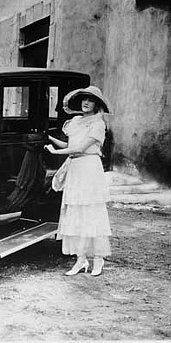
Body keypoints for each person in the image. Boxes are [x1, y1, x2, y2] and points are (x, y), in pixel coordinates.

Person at [44, 86, 111, 277]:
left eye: (90, 100)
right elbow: (70, 145)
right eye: (84, 99)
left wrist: (56, 153)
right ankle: (81, 260)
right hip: (75, 169)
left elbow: (81, 148)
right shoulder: (76, 122)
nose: (86, 102)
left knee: (91, 212)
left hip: (89, 169)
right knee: (75, 212)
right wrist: (47, 137)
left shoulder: (98, 124)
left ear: (97, 103)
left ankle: (98, 259)